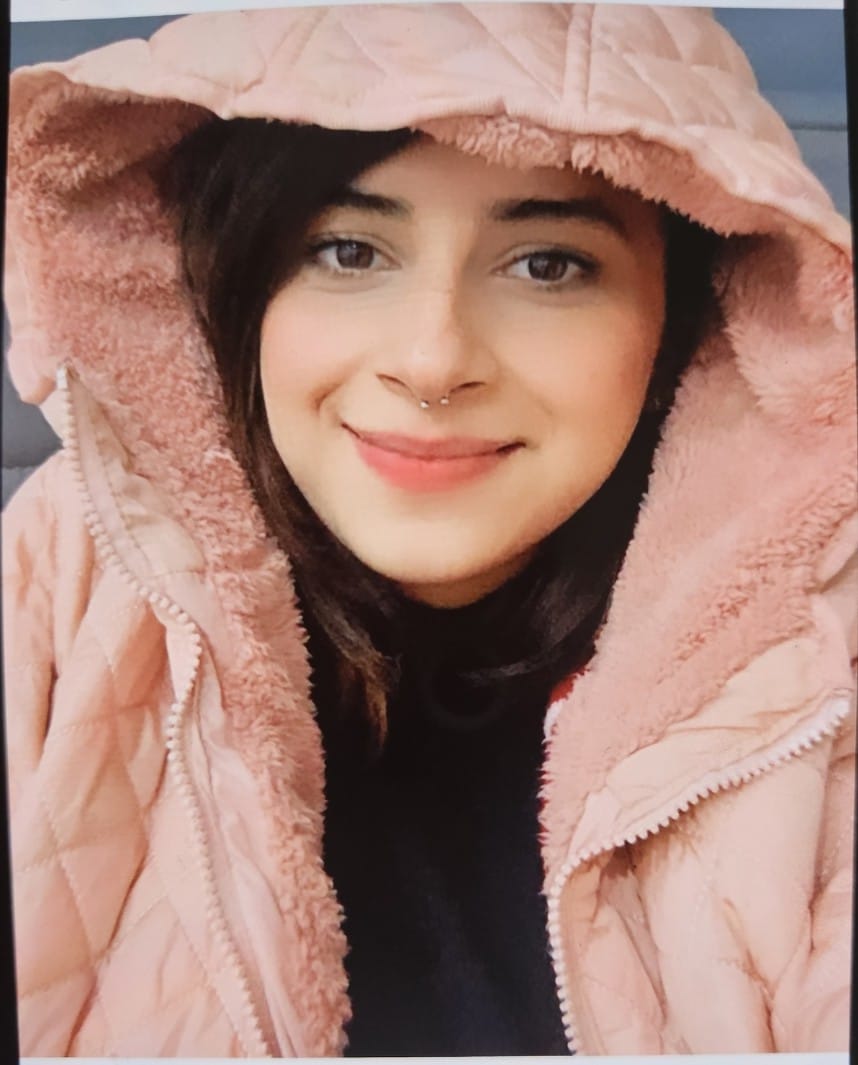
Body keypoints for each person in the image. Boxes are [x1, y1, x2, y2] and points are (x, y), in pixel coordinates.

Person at [2, 3, 855, 1057]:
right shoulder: (62, 578)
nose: (433, 360)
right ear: (235, 281)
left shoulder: (818, 647)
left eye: (547, 265)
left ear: (685, 318)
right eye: (349, 250)